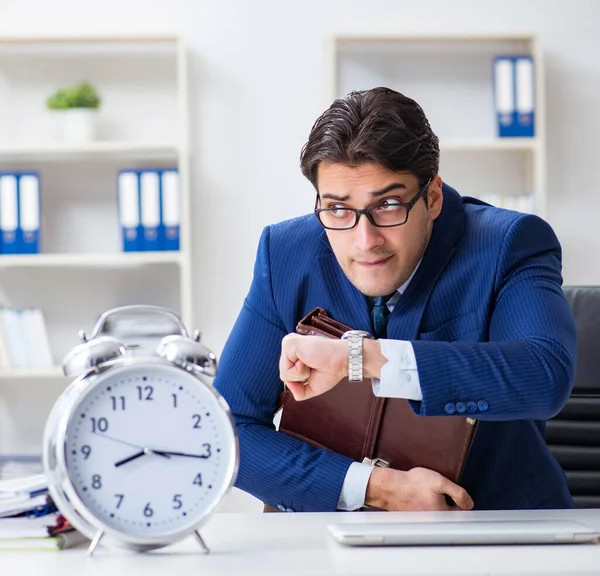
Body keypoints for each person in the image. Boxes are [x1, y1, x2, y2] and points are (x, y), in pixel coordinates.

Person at [213, 87, 577, 513]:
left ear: (433, 196)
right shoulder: (285, 252)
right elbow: (228, 430)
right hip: (332, 535)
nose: (364, 241)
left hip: (497, 527)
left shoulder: (510, 243)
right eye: (338, 209)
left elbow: (545, 374)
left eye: (387, 205)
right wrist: (377, 487)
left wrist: (362, 359)